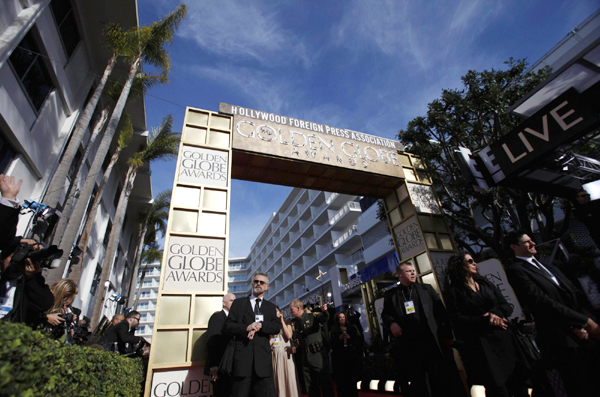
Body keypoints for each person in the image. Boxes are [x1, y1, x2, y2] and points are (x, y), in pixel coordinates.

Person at [505, 230, 600, 396]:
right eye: (527, 242)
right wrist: (578, 323)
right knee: (580, 385)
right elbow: (541, 302)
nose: (533, 243)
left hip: (584, 333)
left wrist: (587, 320)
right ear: (514, 247)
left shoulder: (549, 267)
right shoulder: (517, 271)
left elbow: (575, 294)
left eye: (532, 240)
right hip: (561, 338)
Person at [445, 252, 528, 397]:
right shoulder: (454, 291)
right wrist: (484, 320)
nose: (474, 263)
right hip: (483, 346)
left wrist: (494, 315)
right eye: (470, 261)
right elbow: (457, 319)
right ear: (459, 266)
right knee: (498, 389)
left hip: (505, 339)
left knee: (519, 385)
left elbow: (506, 306)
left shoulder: (485, 283)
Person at [381, 262, 467, 397]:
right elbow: (386, 314)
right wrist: (392, 323)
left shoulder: (426, 289)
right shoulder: (391, 295)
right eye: (408, 271)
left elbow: (442, 313)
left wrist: (447, 336)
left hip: (432, 342)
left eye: (413, 270)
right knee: (420, 382)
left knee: (441, 378)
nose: (413, 273)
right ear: (400, 275)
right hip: (410, 345)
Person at [224, 272, 281, 397]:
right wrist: (246, 328)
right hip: (242, 361)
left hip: (262, 362)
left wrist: (262, 325)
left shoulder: (271, 307)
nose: (258, 284)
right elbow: (228, 326)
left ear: (267, 287)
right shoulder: (239, 304)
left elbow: (277, 327)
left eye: (262, 282)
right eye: (256, 281)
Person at [289, 299, 334, 397]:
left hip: (317, 355)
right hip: (305, 357)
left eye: (291, 309)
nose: (290, 312)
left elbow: (324, 318)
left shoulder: (312, 316)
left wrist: (325, 311)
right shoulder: (295, 323)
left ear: (298, 308)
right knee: (310, 387)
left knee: (325, 383)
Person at [204, 293, 236, 397]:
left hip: (232, 366)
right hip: (220, 365)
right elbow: (212, 341)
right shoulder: (217, 317)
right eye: (231, 300)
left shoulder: (236, 320)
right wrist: (214, 365)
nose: (234, 303)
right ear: (224, 303)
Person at [330, 311, 363, 397]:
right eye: (340, 318)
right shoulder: (334, 329)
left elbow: (358, 341)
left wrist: (350, 338)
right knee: (341, 383)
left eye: (343, 317)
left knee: (352, 381)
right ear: (337, 319)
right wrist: (339, 339)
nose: (342, 319)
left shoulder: (352, 328)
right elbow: (331, 344)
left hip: (351, 356)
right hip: (339, 358)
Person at [271, 306, 300, 397]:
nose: (275, 314)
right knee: (278, 378)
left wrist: (282, 321)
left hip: (286, 355)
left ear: (281, 312)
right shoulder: (270, 326)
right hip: (275, 355)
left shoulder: (287, 324)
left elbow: (288, 336)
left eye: (276, 311)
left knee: (289, 377)